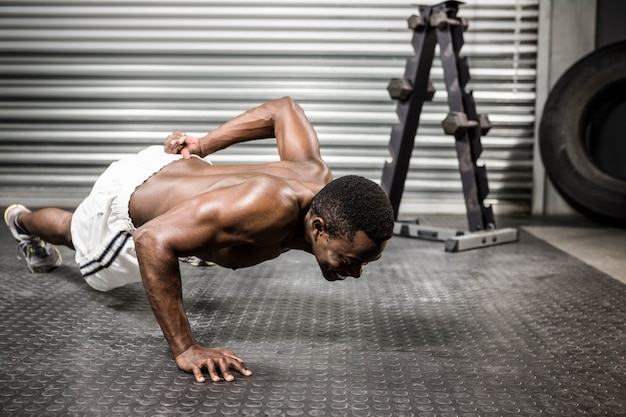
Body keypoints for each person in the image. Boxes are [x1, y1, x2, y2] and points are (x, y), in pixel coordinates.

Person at [4, 97, 395, 383]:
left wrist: (203, 145)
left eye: (364, 263)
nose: (357, 272)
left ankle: (197, 238)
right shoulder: (270, 207)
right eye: (350, 259)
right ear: (319, 228)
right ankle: (21, 220)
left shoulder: (315, 174)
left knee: (203, 235)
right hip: (130, 204)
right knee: (78, 239)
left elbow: (285, 110)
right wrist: (185, 348)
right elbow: (151, 238)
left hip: (173, 169)